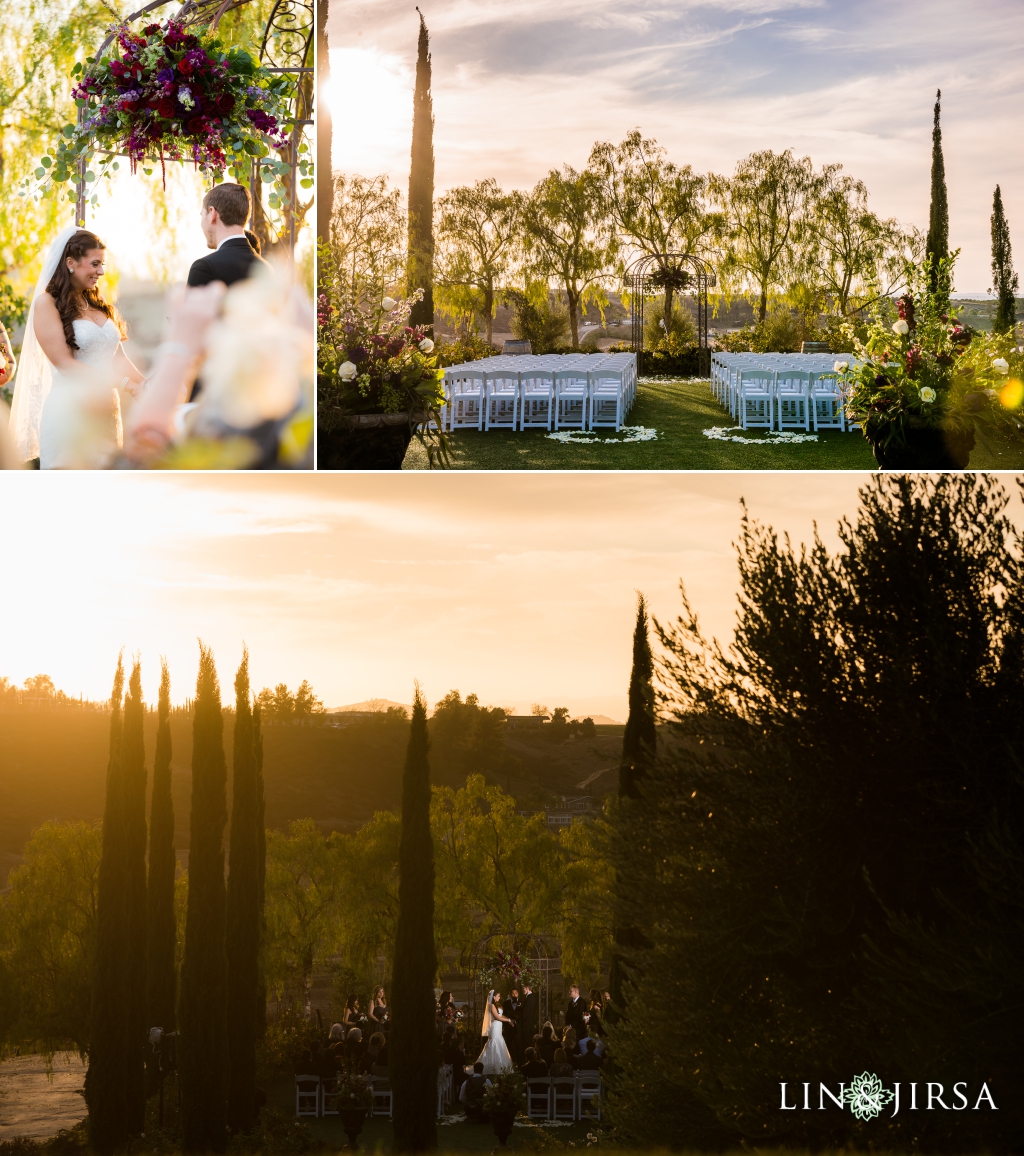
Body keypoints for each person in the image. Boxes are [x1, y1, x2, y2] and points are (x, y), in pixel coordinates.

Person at [10, 227, 146, 468]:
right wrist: (125, 385)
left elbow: (118, 357)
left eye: (103, 264)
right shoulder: (47, 303)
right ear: (71, 262)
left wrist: (145, 384)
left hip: (106, 411)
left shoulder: (97, 303)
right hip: (71, 411)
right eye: (95, 264)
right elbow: (65, 364)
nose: (101, 272)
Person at [187, 184, 268, 288]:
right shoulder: (266, 268)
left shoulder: (204, 268)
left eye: (202, 215)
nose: (201, 222)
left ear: (212, 213)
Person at [477, 989, 514, 1074]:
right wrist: (508, 1020)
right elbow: (497, 1017)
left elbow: (501, 1015)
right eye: (498, 996)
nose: (499, 998)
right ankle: (492, 1065)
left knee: (499, 1041)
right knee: (494, 1042)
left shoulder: (497, 1005)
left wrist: (509, 1019)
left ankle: (500, 1064)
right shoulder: (492, 1005)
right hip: (495, 1026)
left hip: (498, 1026)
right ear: (494, 997)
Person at [518, 984, 539, 1064]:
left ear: (527, 988)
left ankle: (528, 1062)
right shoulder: (529, 998)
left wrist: (518, 1019)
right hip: (527, 1025)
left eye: (523, 988)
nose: (523, 990)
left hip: (526, 1026)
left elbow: (525, 1013)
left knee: (527, 1044)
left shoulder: (530, 998)